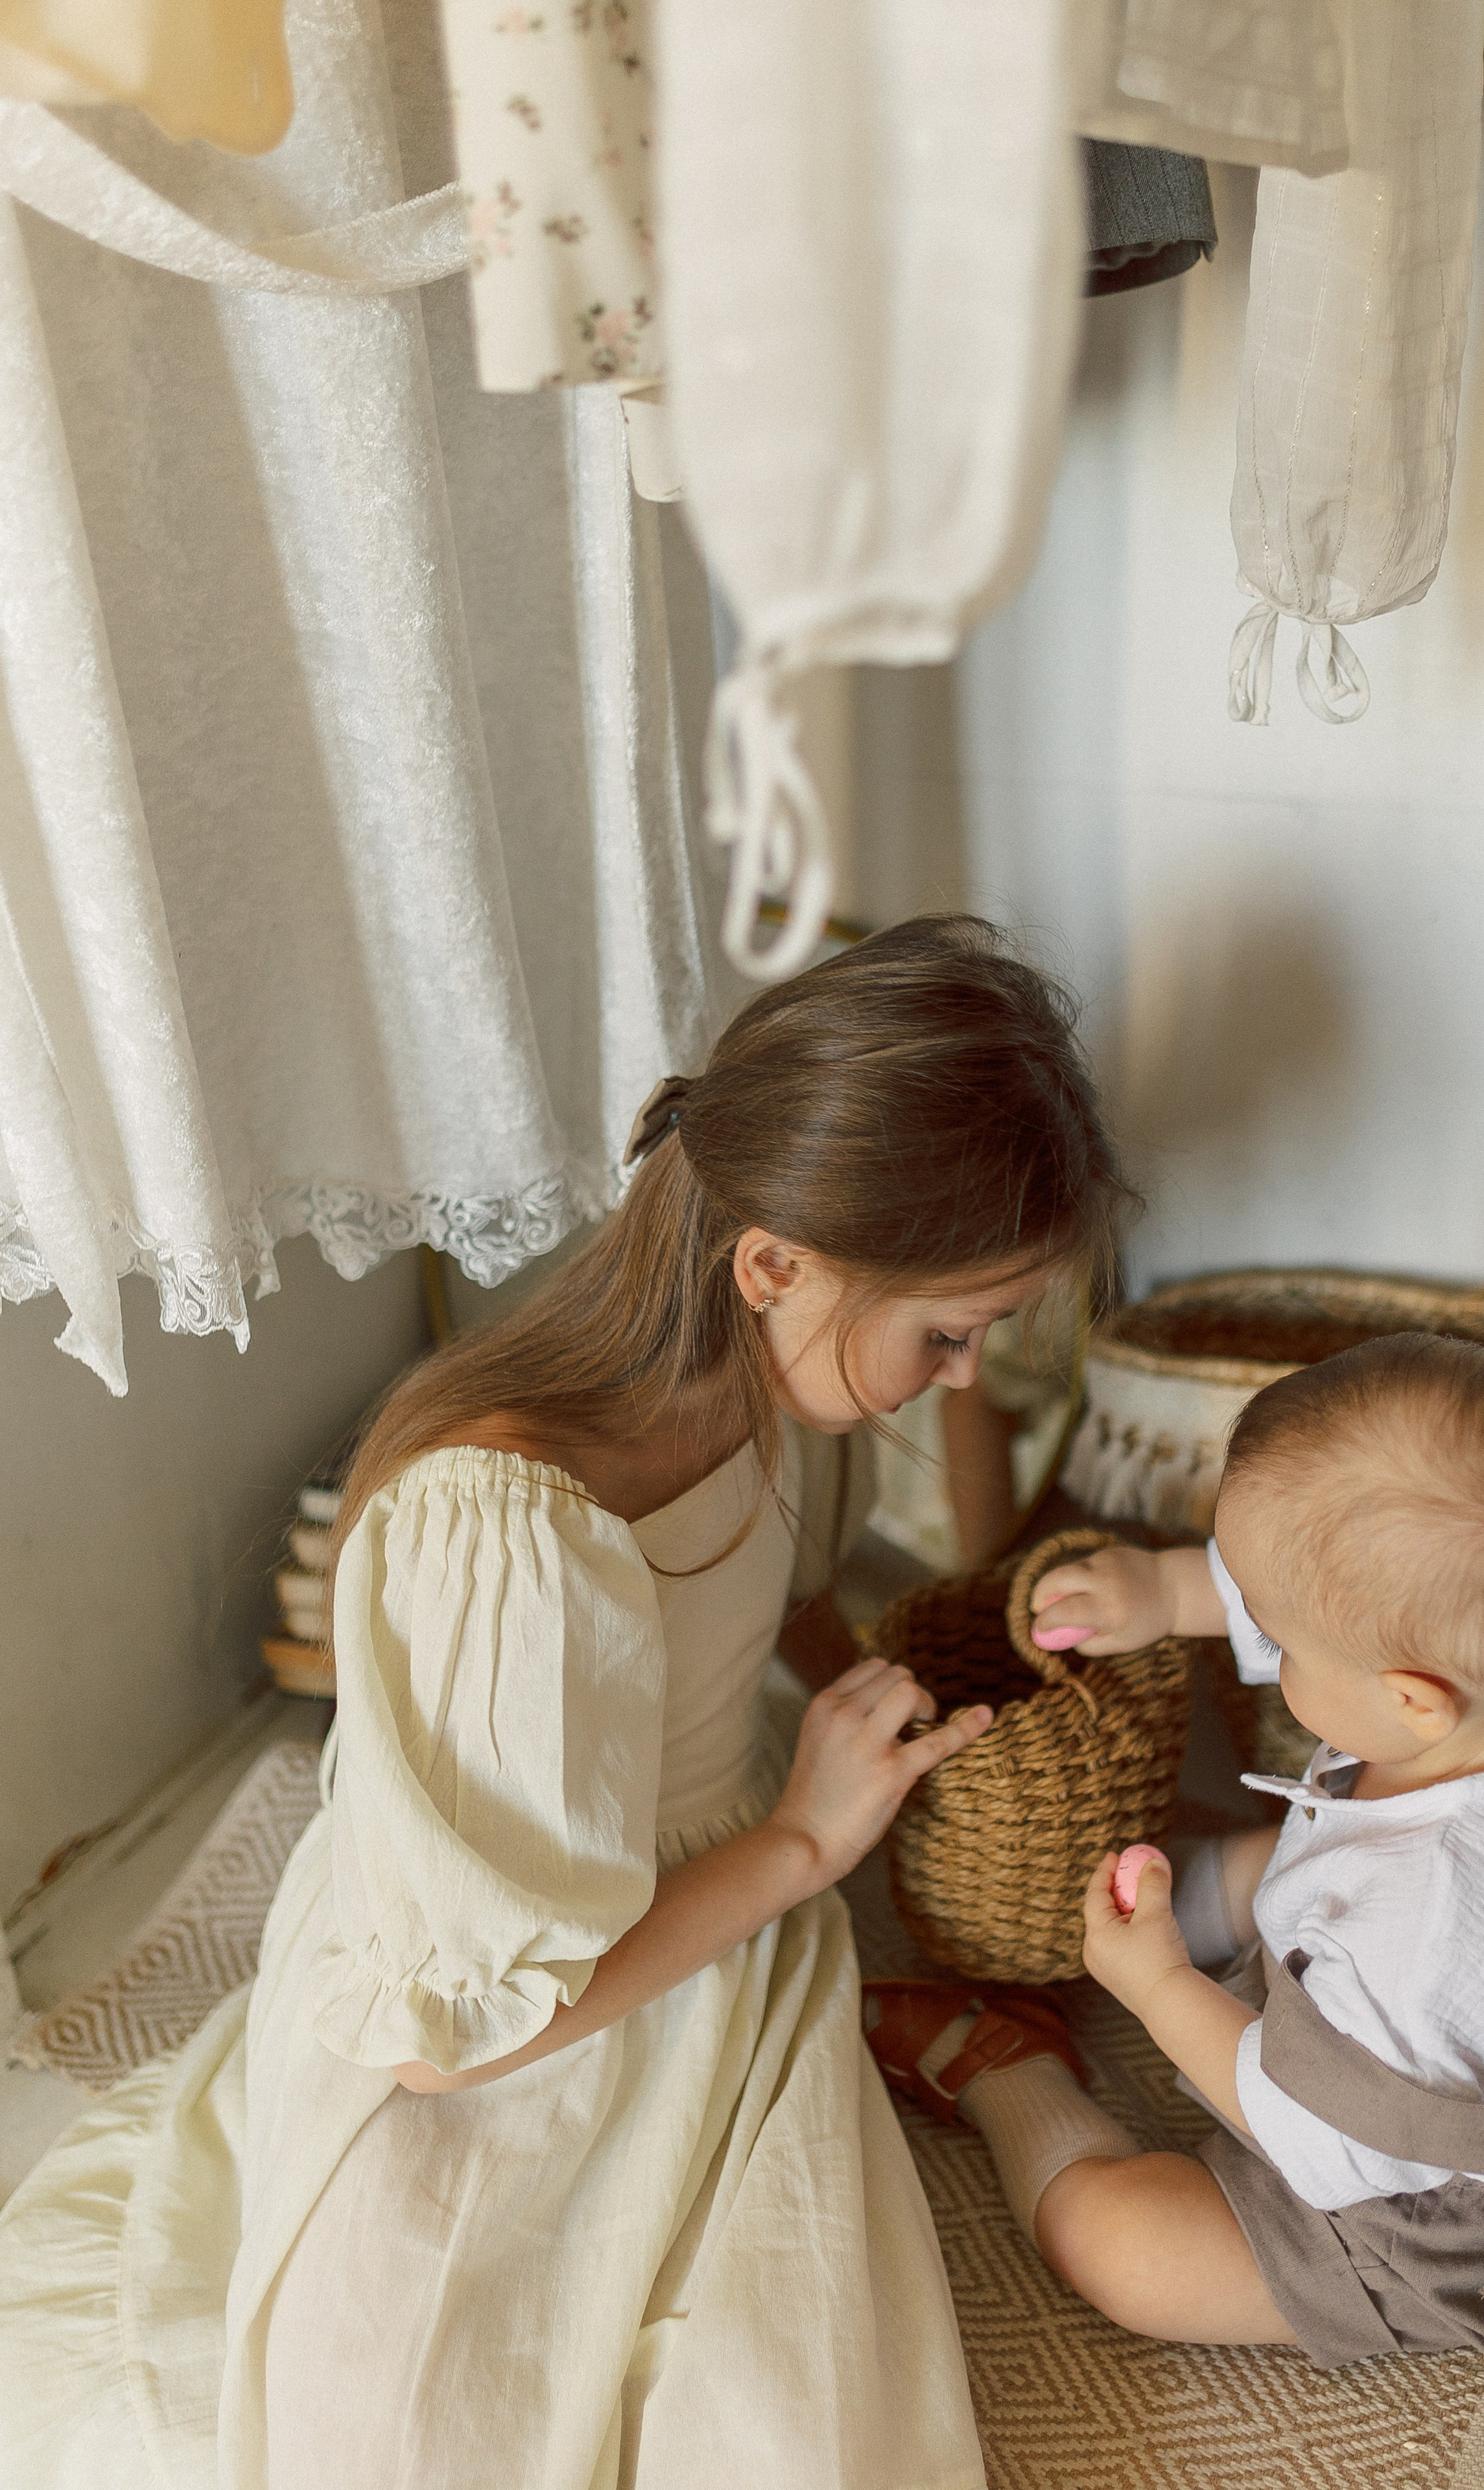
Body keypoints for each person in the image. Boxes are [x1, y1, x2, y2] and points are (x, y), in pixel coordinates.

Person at [0, 916, 1132, 2490]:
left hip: (707, 1924)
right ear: (772, 1265)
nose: (960, 1372)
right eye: (947, 1333)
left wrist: (901, 1699)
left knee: (788, 2422)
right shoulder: (505, 1531)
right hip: (509, 1987)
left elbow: (781, 1587)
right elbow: (452, 2049)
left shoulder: (786, 1397)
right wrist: (806, 1844)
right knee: (417, 2428)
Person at [864, 1333, 1484, 2367]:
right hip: (1408, 2000)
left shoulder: (1436, 1917)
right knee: (1251, 1867)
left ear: (1415, 1699)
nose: (1261, 1642)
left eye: (1277, 1643)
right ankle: (1116, 1923)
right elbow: (1327, 1585)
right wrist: (1164, 1590)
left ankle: (1011, 2072)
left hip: (1406, 2206)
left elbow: (1326, 2143)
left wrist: (1156, 1989)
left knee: (1118, 2246)